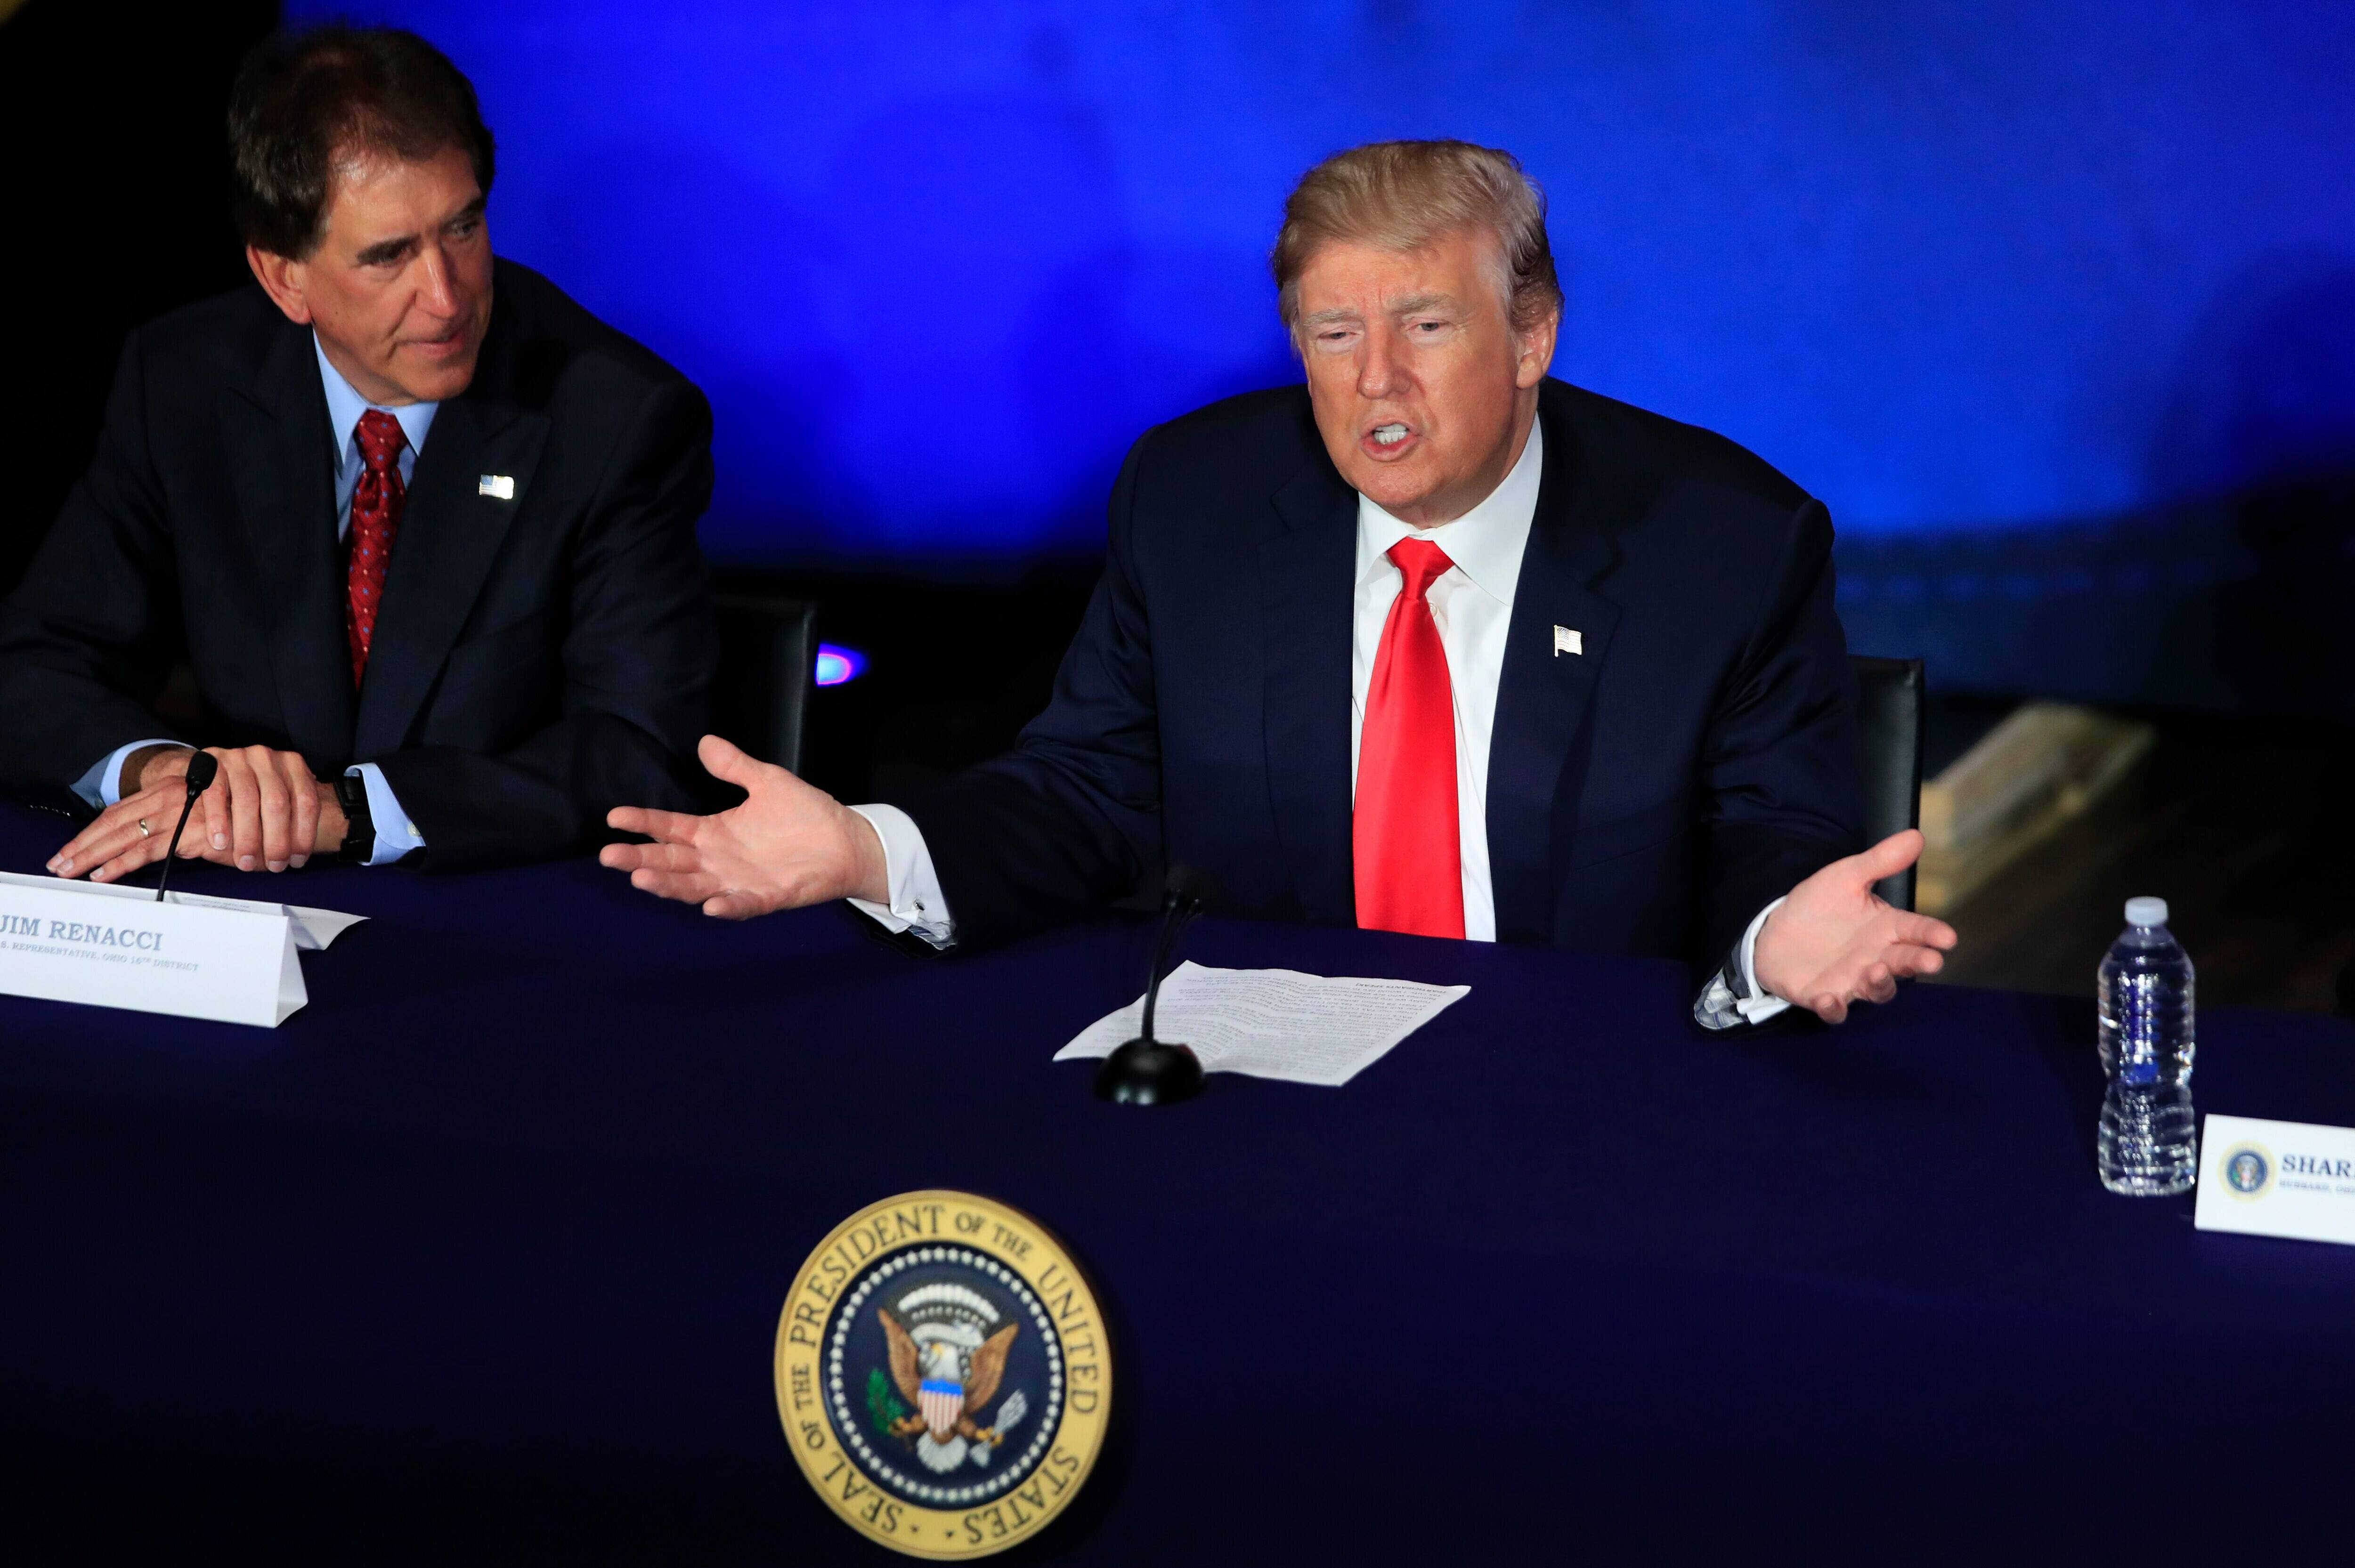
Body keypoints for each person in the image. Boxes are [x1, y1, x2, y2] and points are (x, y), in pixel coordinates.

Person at [602, 140, 1956, 1027]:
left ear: (1533, 333)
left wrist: (1774, 938)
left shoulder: (1725, 543)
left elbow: (1768, 826)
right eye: (1334, 332)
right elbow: (1088, 788)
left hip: (1587, 1089)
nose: (1377, 381)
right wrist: (871, 849)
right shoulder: (1197, 502)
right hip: (1276, 1083)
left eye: (1427, 325)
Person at [0, 25, 716, 881]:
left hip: (492, 911)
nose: (445, 296)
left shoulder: (616, 419)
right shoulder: (186, 383)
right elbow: (33, 665)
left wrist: (341, 814)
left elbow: (635, 749)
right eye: (388, 256)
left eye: (463, 227)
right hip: (247, 905)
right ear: (284, 277)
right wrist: (166, 776)